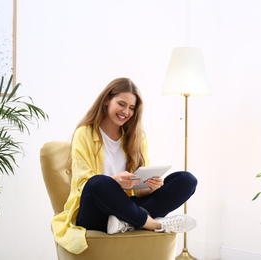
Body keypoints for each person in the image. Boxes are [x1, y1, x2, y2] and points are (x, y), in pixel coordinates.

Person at [51, 78, 198, 254]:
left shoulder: (137, 137)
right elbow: (83, 184)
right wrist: (114, 181)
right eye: (121, 104)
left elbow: (137, 189)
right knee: (98, 183)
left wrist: (149, 187)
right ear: (106, 100)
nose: (126, 112)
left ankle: (126, 223)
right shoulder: (85, 133)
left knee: (186, 180)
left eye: (131, 108)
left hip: (126, 208)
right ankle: (154, 224)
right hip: (95, 211)